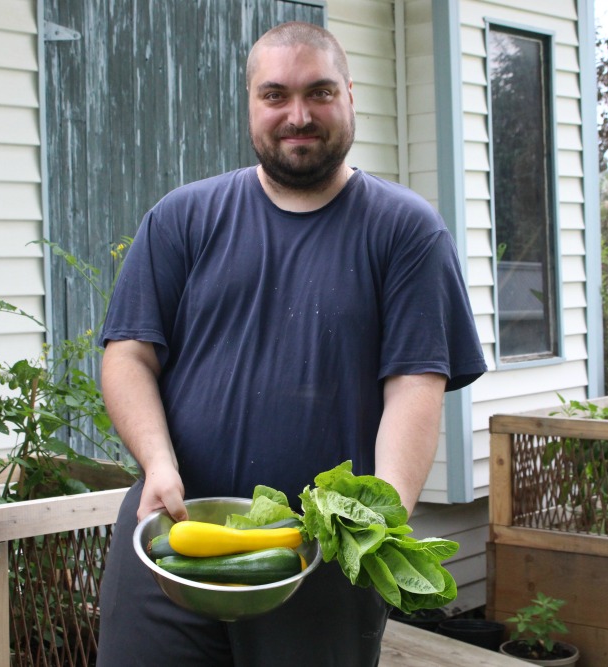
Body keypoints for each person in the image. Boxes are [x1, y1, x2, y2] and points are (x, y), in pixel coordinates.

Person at [95, 21, 486, 666]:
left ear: (350, 97)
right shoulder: (182, 218)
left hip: (322, 567)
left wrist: (376, 524)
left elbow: (415, 388)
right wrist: (158, 464)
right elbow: (128, 355)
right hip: (175, 536)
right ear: (251, 103)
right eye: (275, 95)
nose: (297, 115)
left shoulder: (406, 231)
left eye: (319, 92)